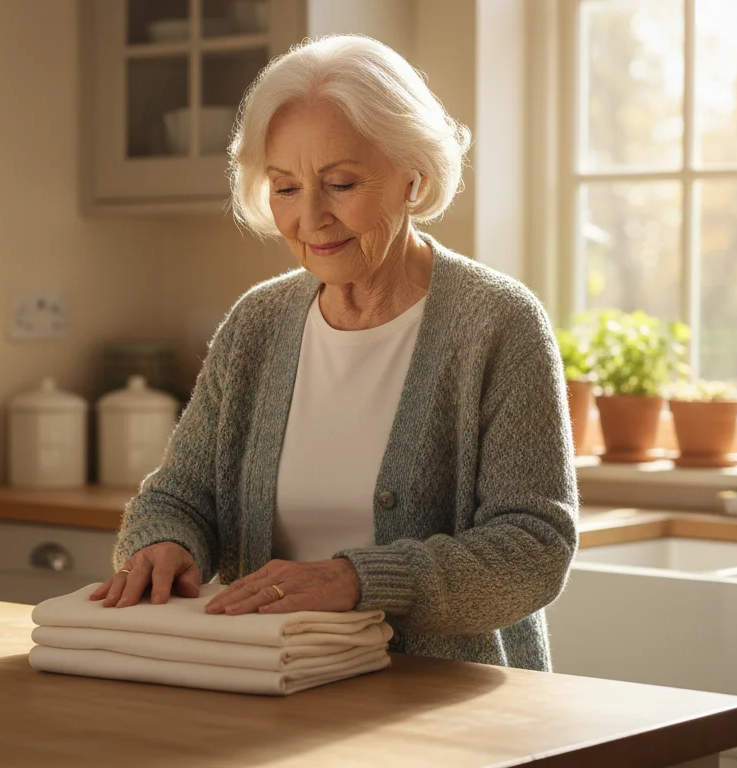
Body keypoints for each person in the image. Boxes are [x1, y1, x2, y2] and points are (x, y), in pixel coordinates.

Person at [90, 34, 578, 671]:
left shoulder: (497, 323)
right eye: (286, 188)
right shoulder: (256, 324)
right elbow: (180, 496)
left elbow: (533, 549)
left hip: (446, 702)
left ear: (414, 174)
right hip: (272, 686)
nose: (311, 218)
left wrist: (357, 581)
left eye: (341, 183)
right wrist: (163, 543)